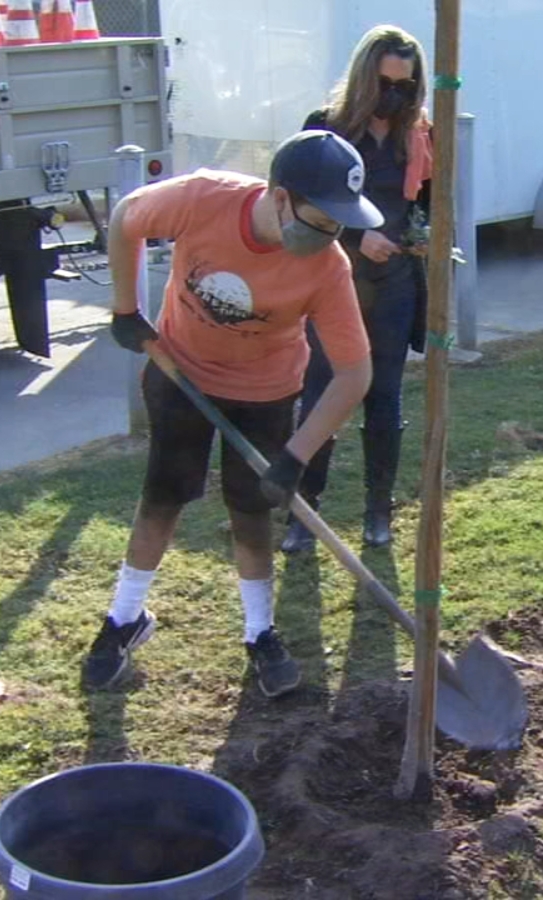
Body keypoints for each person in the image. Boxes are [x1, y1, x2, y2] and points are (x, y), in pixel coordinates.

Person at [85, 130, 383, 697]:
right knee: (164, 497)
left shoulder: (328, 267)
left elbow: (354, 374)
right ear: (278, 197)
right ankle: (124, 620)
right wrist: (125, 307)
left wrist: (297, 455)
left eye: (339, 223)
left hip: (266, 392)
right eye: (320, 218)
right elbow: (126, 216)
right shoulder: (203, 199)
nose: (329, 234)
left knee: (251, 510)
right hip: (180, 374)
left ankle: (259, 632)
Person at [280, 24, 433, 553]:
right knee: (321, 395)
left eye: (406, 87)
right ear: (365, 78)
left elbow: (430, 206)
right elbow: (296, 204)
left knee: (385, 397)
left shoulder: (419, 135)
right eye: (387, 84)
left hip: (393, 284)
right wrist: (354, 235)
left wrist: (425, 239)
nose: (395, 96)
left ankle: (377, 512)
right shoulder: (324, 130)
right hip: (332, 280)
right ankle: (304, 513)